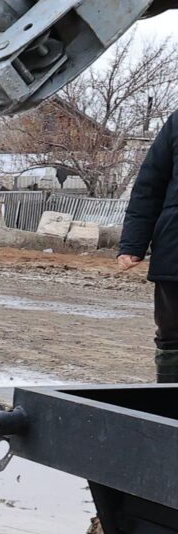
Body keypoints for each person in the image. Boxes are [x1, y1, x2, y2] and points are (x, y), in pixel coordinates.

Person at [117, 108, 178, 383]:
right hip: (175, 252)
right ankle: (168, 412)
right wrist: (133, 244)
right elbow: (149, 185)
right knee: (173, 337)